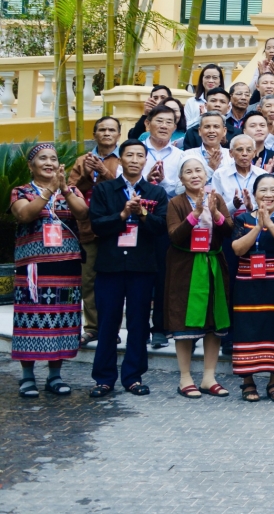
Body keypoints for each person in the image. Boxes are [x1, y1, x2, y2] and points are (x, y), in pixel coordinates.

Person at [88, 140, 169, 398]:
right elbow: (97, 225)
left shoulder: (155, 193)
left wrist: (143, 215)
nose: (134, 160)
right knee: (107, 324)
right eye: (129, 155)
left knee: (138, 323)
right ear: (120, 159)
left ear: (146, 160)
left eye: (140, 155)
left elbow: (160, 228)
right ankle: (104, 378)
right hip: (110, 266)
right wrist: (122, 215)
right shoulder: (105, 190)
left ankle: (133, 377)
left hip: (141, 267)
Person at [10, 144, 88, 397]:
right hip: (33, 269)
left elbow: (83, 213)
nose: (49, 162)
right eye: (42, 158)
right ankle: (27, 376)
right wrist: (48, 192)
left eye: (53, 159)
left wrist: (64, 188)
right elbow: (24, 215)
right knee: (31, 321)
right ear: (31, 166)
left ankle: (55, 376)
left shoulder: (70, 190)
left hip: (66, 267)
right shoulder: (21, 191)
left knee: (63, 321)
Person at [164, 158, 233, 398]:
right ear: (181, 179)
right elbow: (174, 236)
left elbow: (229, 231)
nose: (194, 175)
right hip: (185, 268)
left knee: (214, 322)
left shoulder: (217, 198)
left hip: (214, 264)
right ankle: (185, 378)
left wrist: (215, 213)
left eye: (198, 171)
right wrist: (193, 215)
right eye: (188, 172)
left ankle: (209, 377)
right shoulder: (175, 202)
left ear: (206, 175)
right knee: (185, 322)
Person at [229, 173, 274, 402]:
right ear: (254, 193)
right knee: (248, 329)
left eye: (273, 190)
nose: (268, 195)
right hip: (249, 284)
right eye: (263, 190)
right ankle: (247, 382)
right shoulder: (242, 219)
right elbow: (238, 249)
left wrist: (269, 223)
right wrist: (258, 227)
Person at [68, 117, 121, 346]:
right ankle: (92, 328)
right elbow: (68, 192)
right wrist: (85, 176)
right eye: (102, 129)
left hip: (117, 230)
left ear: (119, 134)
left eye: (112, 130)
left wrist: (104, 172)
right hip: (88, 229)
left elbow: (124, 192)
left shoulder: (124, 158)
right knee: (89, 280)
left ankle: (111, 328)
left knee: (114, 282)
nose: (107, 133)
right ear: (94, 133)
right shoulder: (82, 160)